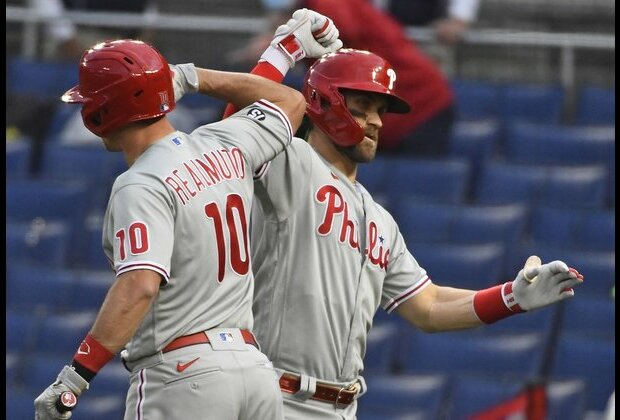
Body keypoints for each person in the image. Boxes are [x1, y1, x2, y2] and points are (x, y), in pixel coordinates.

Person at [203, 9, 585, 419]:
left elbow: (429, 306)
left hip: (341, 406)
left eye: (381, 110)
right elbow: (231, 141)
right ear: (322, 102)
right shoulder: (289, 161)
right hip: (274, 396)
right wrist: (284, 53)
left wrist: (510, 298)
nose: (375, 121)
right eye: (363, 104)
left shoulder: (378, 219)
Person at [33, 14, 342, 419]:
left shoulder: (139, 184)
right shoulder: (224, 143)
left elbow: (139, 285)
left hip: (184, 376)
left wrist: (75, 377)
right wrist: (192, 76)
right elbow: (289, 101)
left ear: (101, 112)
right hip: (254, 373)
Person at [228, 0, 456, 157]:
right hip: (382, 111)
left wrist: (282, 47)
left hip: (421, 106)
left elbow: (334, 28)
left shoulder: (326, 5)